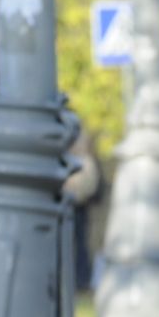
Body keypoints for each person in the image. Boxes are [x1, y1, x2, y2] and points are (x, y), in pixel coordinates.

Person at [61, 123, 104, 291]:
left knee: (81, 246)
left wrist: (73, 191)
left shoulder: (86, 162)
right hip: (70, 206)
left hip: (79, 208)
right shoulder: (70, 160)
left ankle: (81, 280)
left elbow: (89, 186)